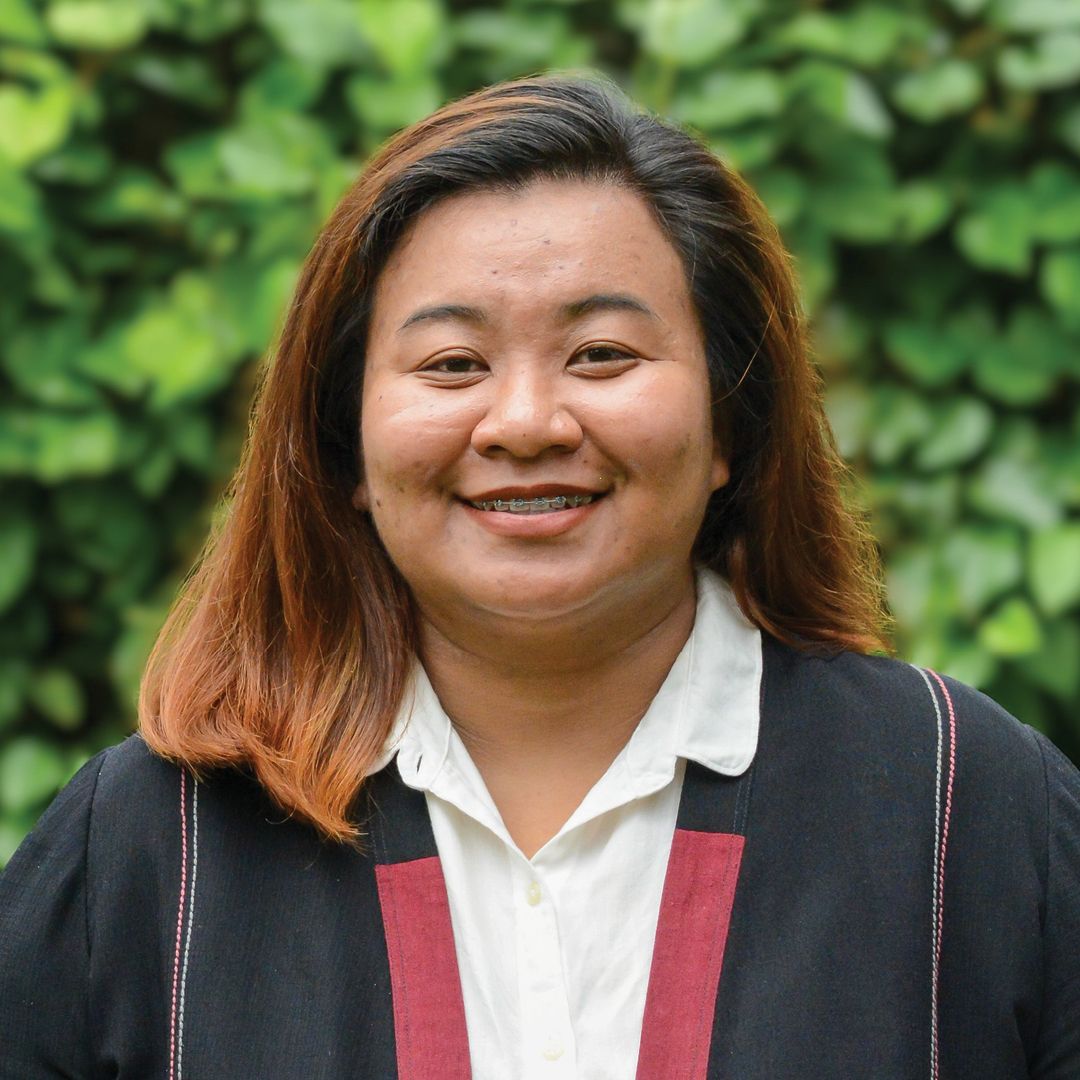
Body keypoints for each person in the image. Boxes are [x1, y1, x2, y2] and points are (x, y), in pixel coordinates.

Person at [1, 73, 1077, 1080]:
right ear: (347, 450)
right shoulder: (154, 850)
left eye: (604, 354)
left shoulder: (966, 809)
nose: (523, 424)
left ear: (729, 428)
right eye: (451, 365)